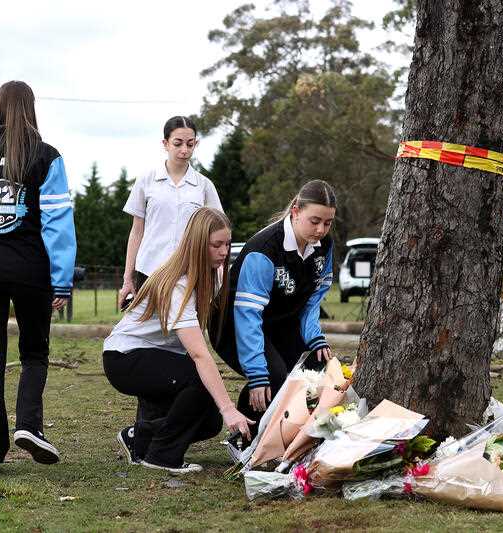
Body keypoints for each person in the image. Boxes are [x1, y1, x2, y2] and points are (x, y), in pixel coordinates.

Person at [0, 81, 77, 479]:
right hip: (31, 270)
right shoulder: (48, 156)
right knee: (34, 353)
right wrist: (61, 281)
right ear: (30, 108)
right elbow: (58, 221)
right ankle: (28, 424)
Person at [103, 207, 253, 474]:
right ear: (196, 245)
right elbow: (198, 354)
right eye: (216, 245)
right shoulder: (178, 284)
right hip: (125, 358)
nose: (224, 251)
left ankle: (139, 438)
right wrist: (229, 407)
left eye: (227, 244)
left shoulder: (214, 274)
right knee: (199, 380)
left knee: (209, 422)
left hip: (159, 357)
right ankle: (161, 457)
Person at [211, 180, 336, 440]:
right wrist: (257, 374)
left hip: (278, 324)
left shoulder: (325, 245)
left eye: (328, 222)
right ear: (295, 210)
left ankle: (289, 436)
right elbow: (248, 316)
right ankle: (244, 438)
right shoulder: (264, 249)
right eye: (314, 221)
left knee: (316, 366)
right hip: (233, 324)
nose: (321, 229)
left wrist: (313, 335)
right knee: (273, 376)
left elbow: (313, 298)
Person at [118, 116, 222, 305]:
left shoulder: (205, 186)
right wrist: (127, 278)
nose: (184, 150)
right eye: (178, 143)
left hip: (189, 274)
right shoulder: (146, 180)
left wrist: (218, 273)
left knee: (184, 330)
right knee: (146, 331)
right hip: (149, 271)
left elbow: (217, 233)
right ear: (165, 143)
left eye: (190, 144)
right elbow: (137, 230)